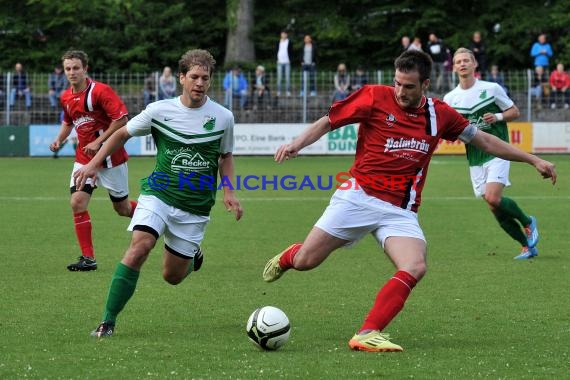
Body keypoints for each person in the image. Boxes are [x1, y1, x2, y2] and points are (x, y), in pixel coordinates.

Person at [262, 49, 556, 352]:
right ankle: (288, 257)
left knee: (415, 265)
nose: (400, 91)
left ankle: (367, 332)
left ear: (425, 84)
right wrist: (297, 144)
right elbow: (328, 121)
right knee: (306, 262)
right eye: (397, 83)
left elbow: (485, 139)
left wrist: (533, 160)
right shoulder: (374, 96)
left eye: (409, 86)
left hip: (400, 211)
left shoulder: (439, 114)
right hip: (357, 197)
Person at [73, 49, 243, 338]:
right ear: (181, 78)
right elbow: (122, 134)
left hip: (196, 204)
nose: (199, 83)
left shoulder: (223, 117)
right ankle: (107, 321)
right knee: (139, 247)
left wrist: (230, 192)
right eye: (194, 77)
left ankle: (192, 256)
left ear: (211, 81)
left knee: (172, 276)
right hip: (158, 193)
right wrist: (93, 163)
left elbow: (225, 156)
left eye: (205, 78)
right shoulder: (159, 110)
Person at [444, 47, 542, 261]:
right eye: (458, 61)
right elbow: (450, 128)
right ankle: (527, 247)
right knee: (492, 205)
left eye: (466, 60)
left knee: (492, 196)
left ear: (475, 64)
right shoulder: (450, 99)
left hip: (498, 150)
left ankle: (527, 221)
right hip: (475, 157)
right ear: (453, 67)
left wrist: (497, 116)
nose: (462, 64)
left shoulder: (491, 88)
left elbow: (514, 111)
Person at [48, 50, 137, 271]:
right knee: (77, 202)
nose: (72, 72)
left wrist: (100, 142)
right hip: (83, 158)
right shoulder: (65, 96)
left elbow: (122, 120)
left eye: (76, 67)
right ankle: (88, 259)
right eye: (68, 68)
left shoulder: (101, 91)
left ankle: (158, 218)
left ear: (85, 68)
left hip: (111, 158)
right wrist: (59, 139)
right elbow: (69, 121)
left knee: (123, 209)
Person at [276, 30, 292, 97]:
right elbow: (276, 50)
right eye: (282, 34)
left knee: (287, 78)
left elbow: (291, 51)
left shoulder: (289, 42)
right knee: (279, 78)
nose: (283, 35)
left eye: (284, 34)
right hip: (279, 62)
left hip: (287, 62)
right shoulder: (278, 42)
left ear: (286, 35)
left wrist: (290, 59)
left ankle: (288, 91)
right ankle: (279, 91)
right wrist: (276, 59)